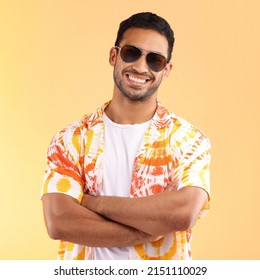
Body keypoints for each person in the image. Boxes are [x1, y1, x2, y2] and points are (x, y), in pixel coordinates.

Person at [41, 12, 211, 260]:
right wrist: (147, 231)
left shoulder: (189, 140)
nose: (141, 67)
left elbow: (183, 213)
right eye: (132, 53)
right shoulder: (71, 139)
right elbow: (59, 222)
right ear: (114, 56)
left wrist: (89, 203)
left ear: (167, 70)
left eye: (155, 60)